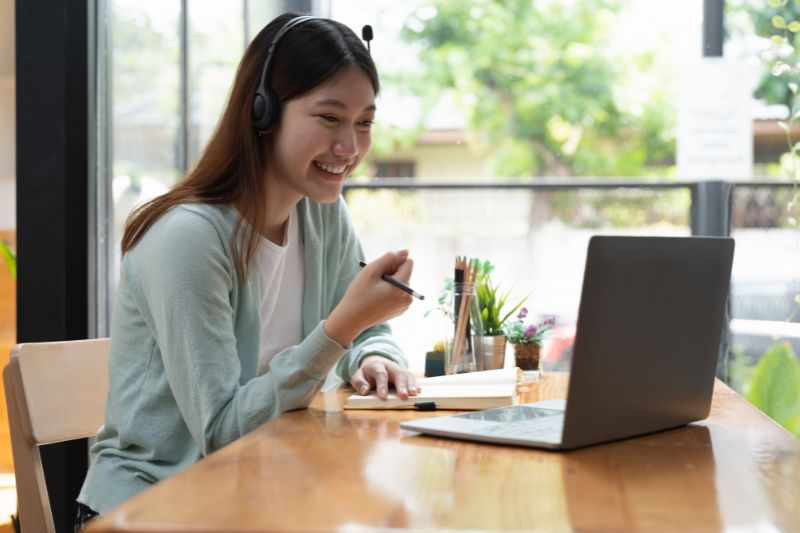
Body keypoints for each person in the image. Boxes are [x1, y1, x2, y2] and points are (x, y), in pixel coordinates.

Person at [75, 12, 419, 529]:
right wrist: (341, 329)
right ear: (263, 112)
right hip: (153, 510)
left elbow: (367, 329)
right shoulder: (187, 239)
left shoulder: (321, 215)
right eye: (329, 118)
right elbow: (221, 433)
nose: (350, 148)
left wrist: (372, 355)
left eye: (364, 122)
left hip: (262, 495)